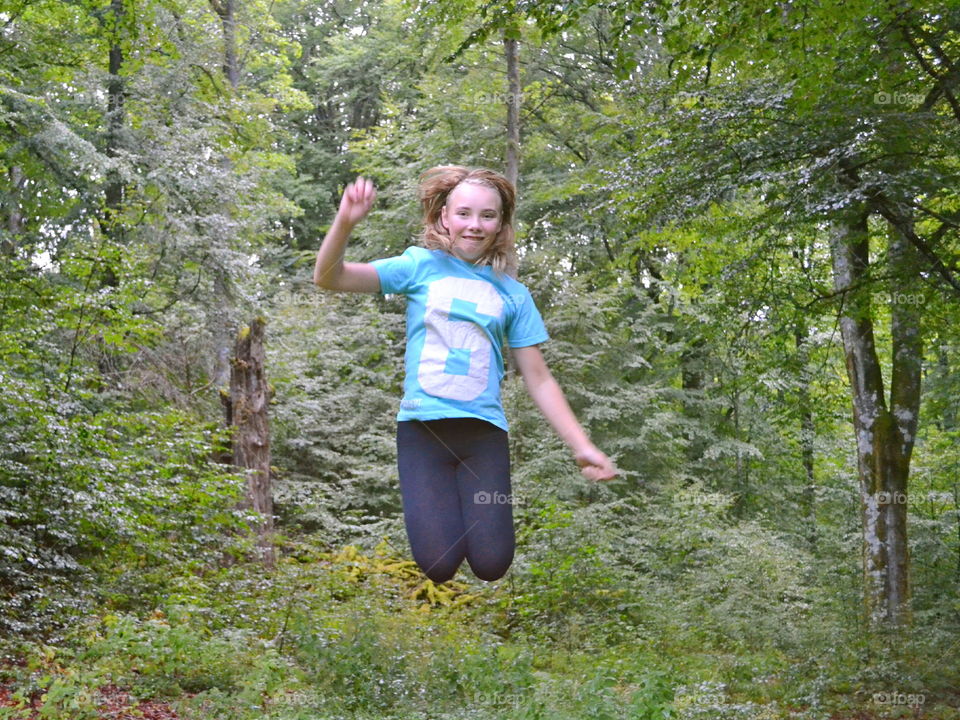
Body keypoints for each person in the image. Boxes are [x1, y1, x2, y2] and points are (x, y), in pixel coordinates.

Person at [313, 165, 616, 583]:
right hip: (422, 433)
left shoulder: (514, 294)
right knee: (438, 564)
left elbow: (539, 378)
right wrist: (345, 222)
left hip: (483, 436)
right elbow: (330, 277)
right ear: (444, 217)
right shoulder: (418, 266)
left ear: (500, 225)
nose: (475, 224)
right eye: (464, 213)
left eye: (487, 216)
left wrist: (581, 446)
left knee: (492, 563)